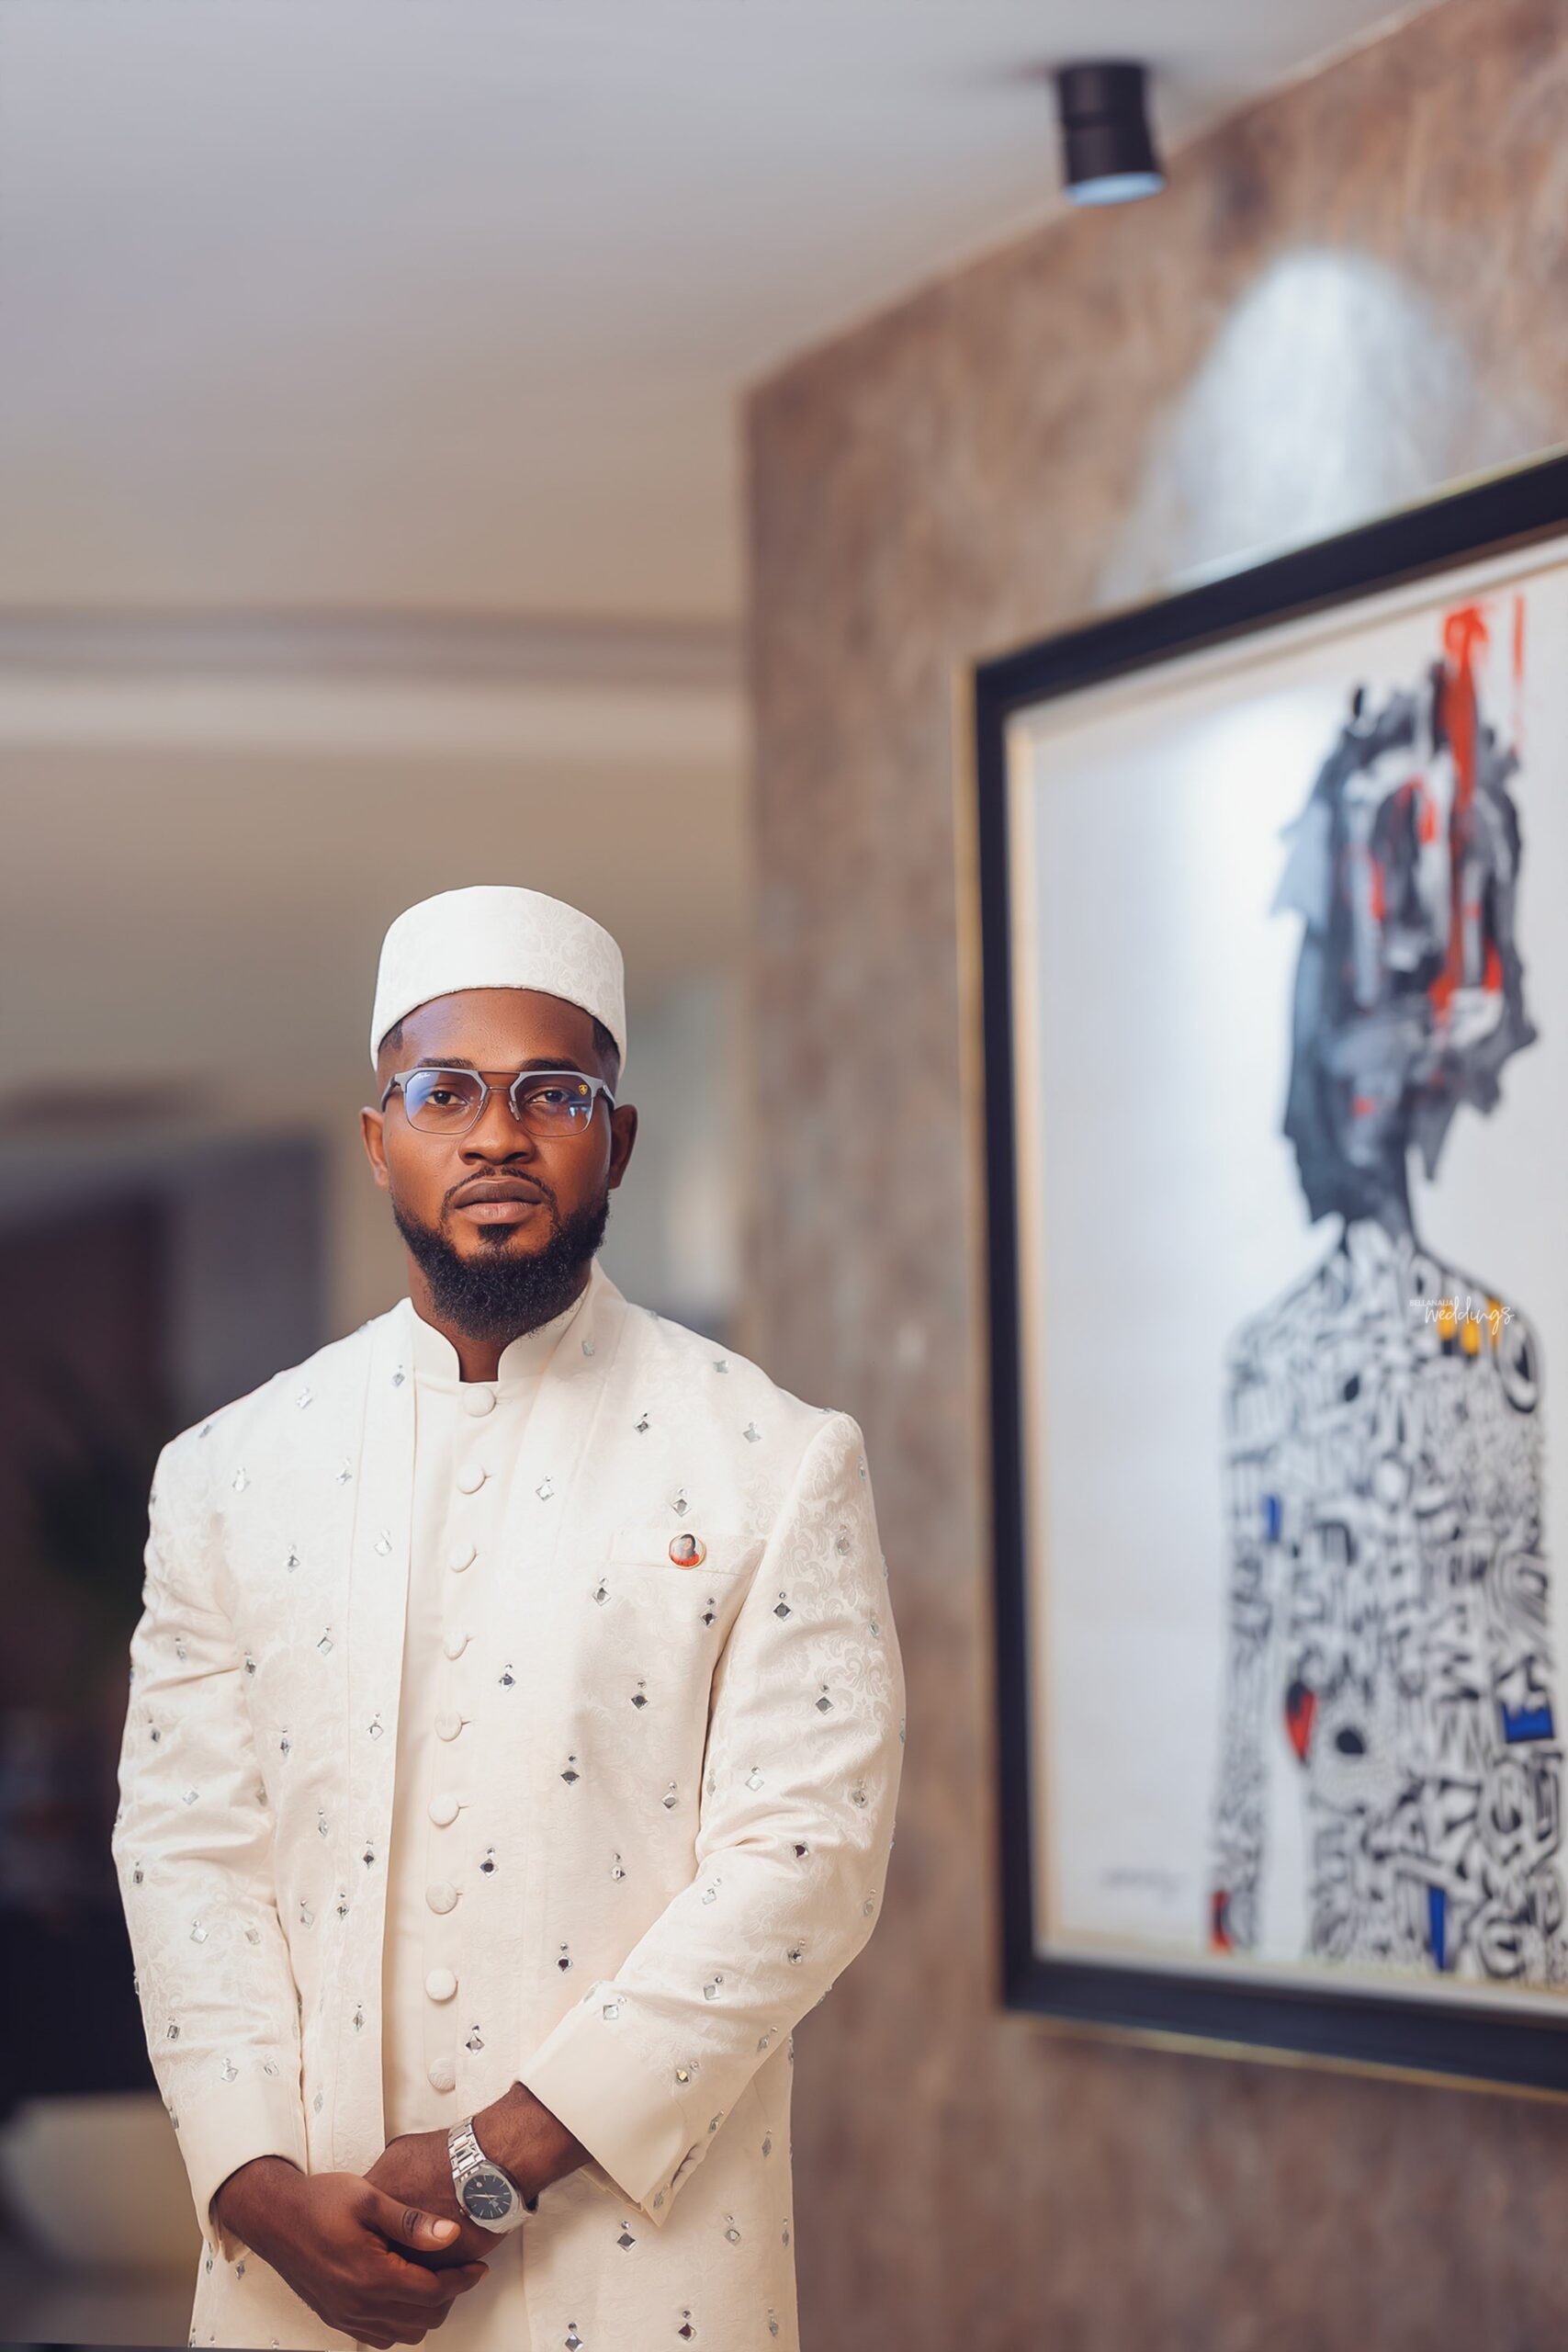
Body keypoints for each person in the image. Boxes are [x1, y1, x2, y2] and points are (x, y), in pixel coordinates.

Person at [111, 883, 906, 2352]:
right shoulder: (228, 1473)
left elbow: (807, 1865)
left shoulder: (773, 1460)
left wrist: (501, 2154)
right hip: (298, 2264)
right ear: (380, 1140)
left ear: (619, 1139)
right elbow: (188, 1851)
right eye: (445, 1093)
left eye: (554, 1092)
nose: (497, 1136)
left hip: (644, 2267)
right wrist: (257, 2187)